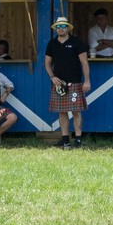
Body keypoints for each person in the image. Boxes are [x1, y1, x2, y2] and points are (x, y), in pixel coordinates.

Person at [45, 17, 91, 150]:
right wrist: (52, 77)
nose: (60, 29)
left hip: (75, 82)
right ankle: (65, 140)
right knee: (62, 111)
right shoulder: (52, 44)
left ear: (68, 28)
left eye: (63, 26)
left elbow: (84, 62)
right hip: (59, 84)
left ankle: (78, 140)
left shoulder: (76, 42)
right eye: (58, 27)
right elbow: (47, 63)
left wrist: (87, 81)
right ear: (56, 29)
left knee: (76, 111)